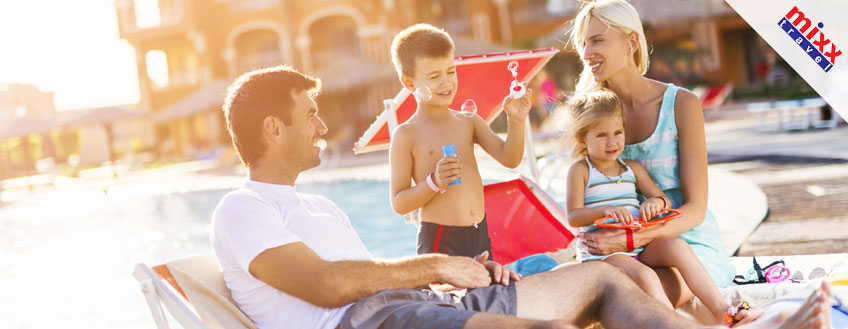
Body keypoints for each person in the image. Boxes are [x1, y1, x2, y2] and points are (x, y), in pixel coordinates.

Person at [209, 65, 832, 329]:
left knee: (609, 277)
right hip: (368, 322)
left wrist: (456, 273)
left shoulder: (318, 207)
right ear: (273, 128)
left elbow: (360, 272)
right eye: (310, 115)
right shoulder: (243, 209)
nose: (323, 126)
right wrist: (436, 262)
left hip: (415, 301)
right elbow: (326, 287)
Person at [569, 0, 737, 308]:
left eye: (597, 40)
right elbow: (583, 200)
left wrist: (634, 238)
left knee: (635, 299)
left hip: (687, 244)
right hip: (620, 250)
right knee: (604, 295)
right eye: (583, 44)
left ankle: (725, 316)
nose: (586, 52)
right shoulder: (592, 116)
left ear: (631, 41)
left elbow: (696, 209)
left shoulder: (680, 105)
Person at [564, 89, 760, 326]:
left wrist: (653, 202)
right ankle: (671, 323)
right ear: (583, 140)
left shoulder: (631, 168)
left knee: (676, 246)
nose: (612, 141)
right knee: (645, 275)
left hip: (638, 245)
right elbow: (573, 216)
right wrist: (604, 210)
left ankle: (721, 310)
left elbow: (661, 199)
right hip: (604, 254)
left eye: (618, 132)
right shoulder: (581, 171)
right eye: (601, 135)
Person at [387, 23, 531, 260]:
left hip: (480, 233)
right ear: (410, 83)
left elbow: (511, 159)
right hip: (441, 239)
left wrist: (516, 120)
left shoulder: (468, 122)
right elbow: (399, 203)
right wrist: (434, 182)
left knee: (486, 295)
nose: (446, 82)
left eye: (451, 71)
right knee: (447, 297)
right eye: (434, 76)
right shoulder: (407, 135)